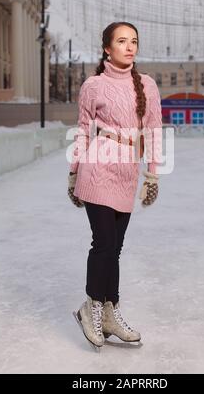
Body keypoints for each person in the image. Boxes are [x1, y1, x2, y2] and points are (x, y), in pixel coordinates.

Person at [67, 22, 163, 348]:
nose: (129, 46)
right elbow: (82, 131)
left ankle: (111, 311)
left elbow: (154, 131)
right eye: (122, 41)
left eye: (133, 41)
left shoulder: (147, 85)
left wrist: (152, 173)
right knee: (104, 243)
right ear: (107, 47)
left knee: (116, 249)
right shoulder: (93, 85)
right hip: (96, 167)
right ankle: (90, 308)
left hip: (127, 172)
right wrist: (73, 171)